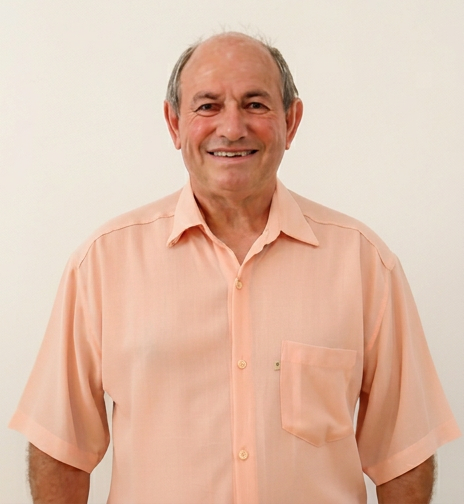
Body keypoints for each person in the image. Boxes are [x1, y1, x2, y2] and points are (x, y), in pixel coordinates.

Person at [10, 32, 460, 504]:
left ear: (291, 121)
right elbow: (60, 448)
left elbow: (404, 455)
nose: (231, 128)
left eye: (255, 105)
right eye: (207, 106)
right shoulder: (102, 264)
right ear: (174, 124)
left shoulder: (364, 264)